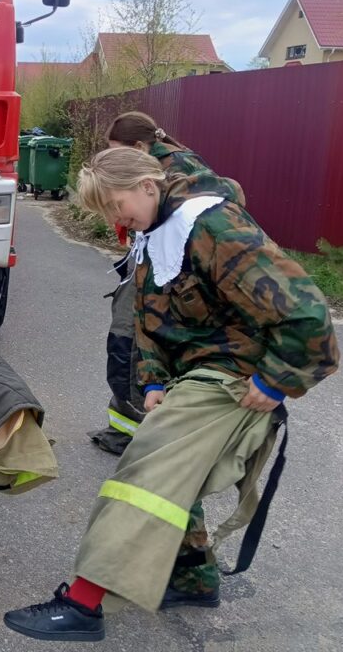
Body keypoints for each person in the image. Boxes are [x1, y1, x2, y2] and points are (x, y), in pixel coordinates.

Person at [3, 147, 338, 642]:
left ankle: (83, 604)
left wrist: (275, 379)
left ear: (147, 186)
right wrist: (154, 380)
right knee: (177, 475)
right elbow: (151, 317)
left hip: (231, 376)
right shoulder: (155, 229)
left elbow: (307, 315)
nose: (116, 220)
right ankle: (191, 579)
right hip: (192, 375)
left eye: (117, 206)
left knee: (145, 475)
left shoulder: (213, 227)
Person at [92, 111, 247, 456]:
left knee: (129, 338)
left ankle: (138, 430)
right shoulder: (174, 164)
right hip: (160, 265)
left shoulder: (169, 174)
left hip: (168, 272)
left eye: (118, 152)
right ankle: (138, 424)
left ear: (139, 148)